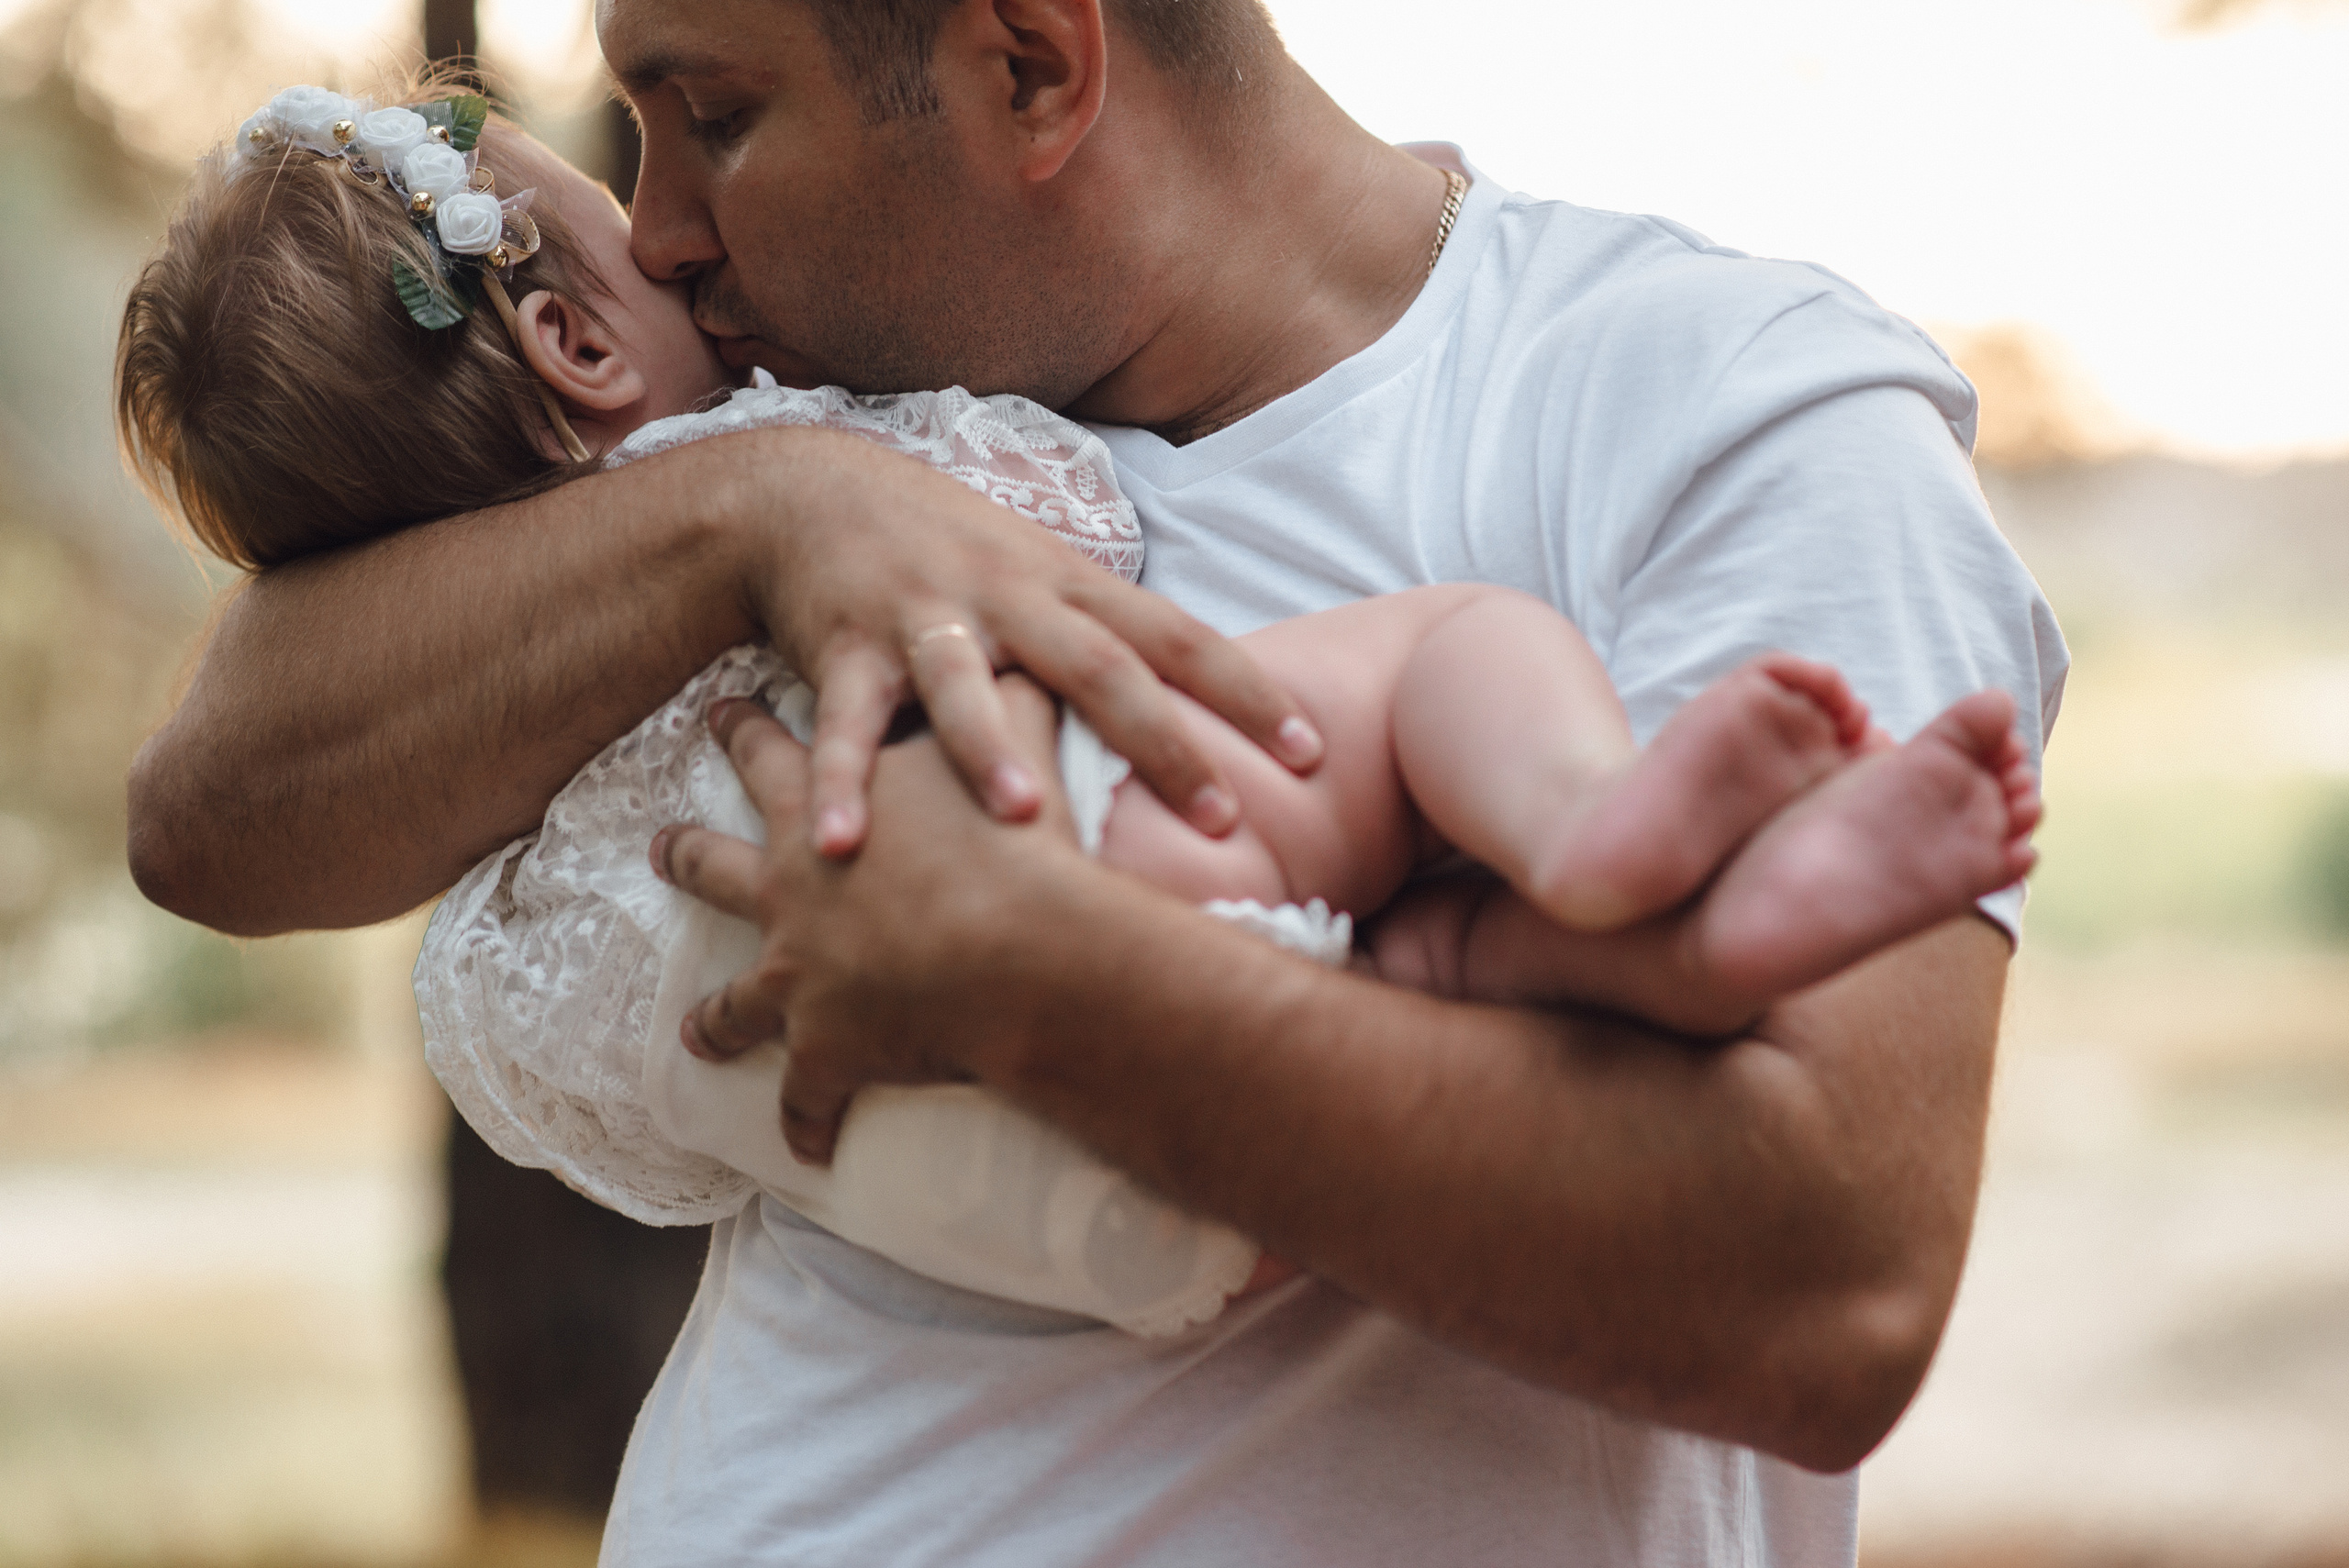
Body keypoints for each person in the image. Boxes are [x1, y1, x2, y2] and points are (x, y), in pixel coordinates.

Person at [125, 1, 2069, 1562]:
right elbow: (209, 803)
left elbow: (1814, 1294)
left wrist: (1057, 992)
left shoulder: (1712, 405)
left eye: (710, 113)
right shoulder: (820, 434)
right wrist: (759, 508)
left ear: (1031, 64)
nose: (659, 233)